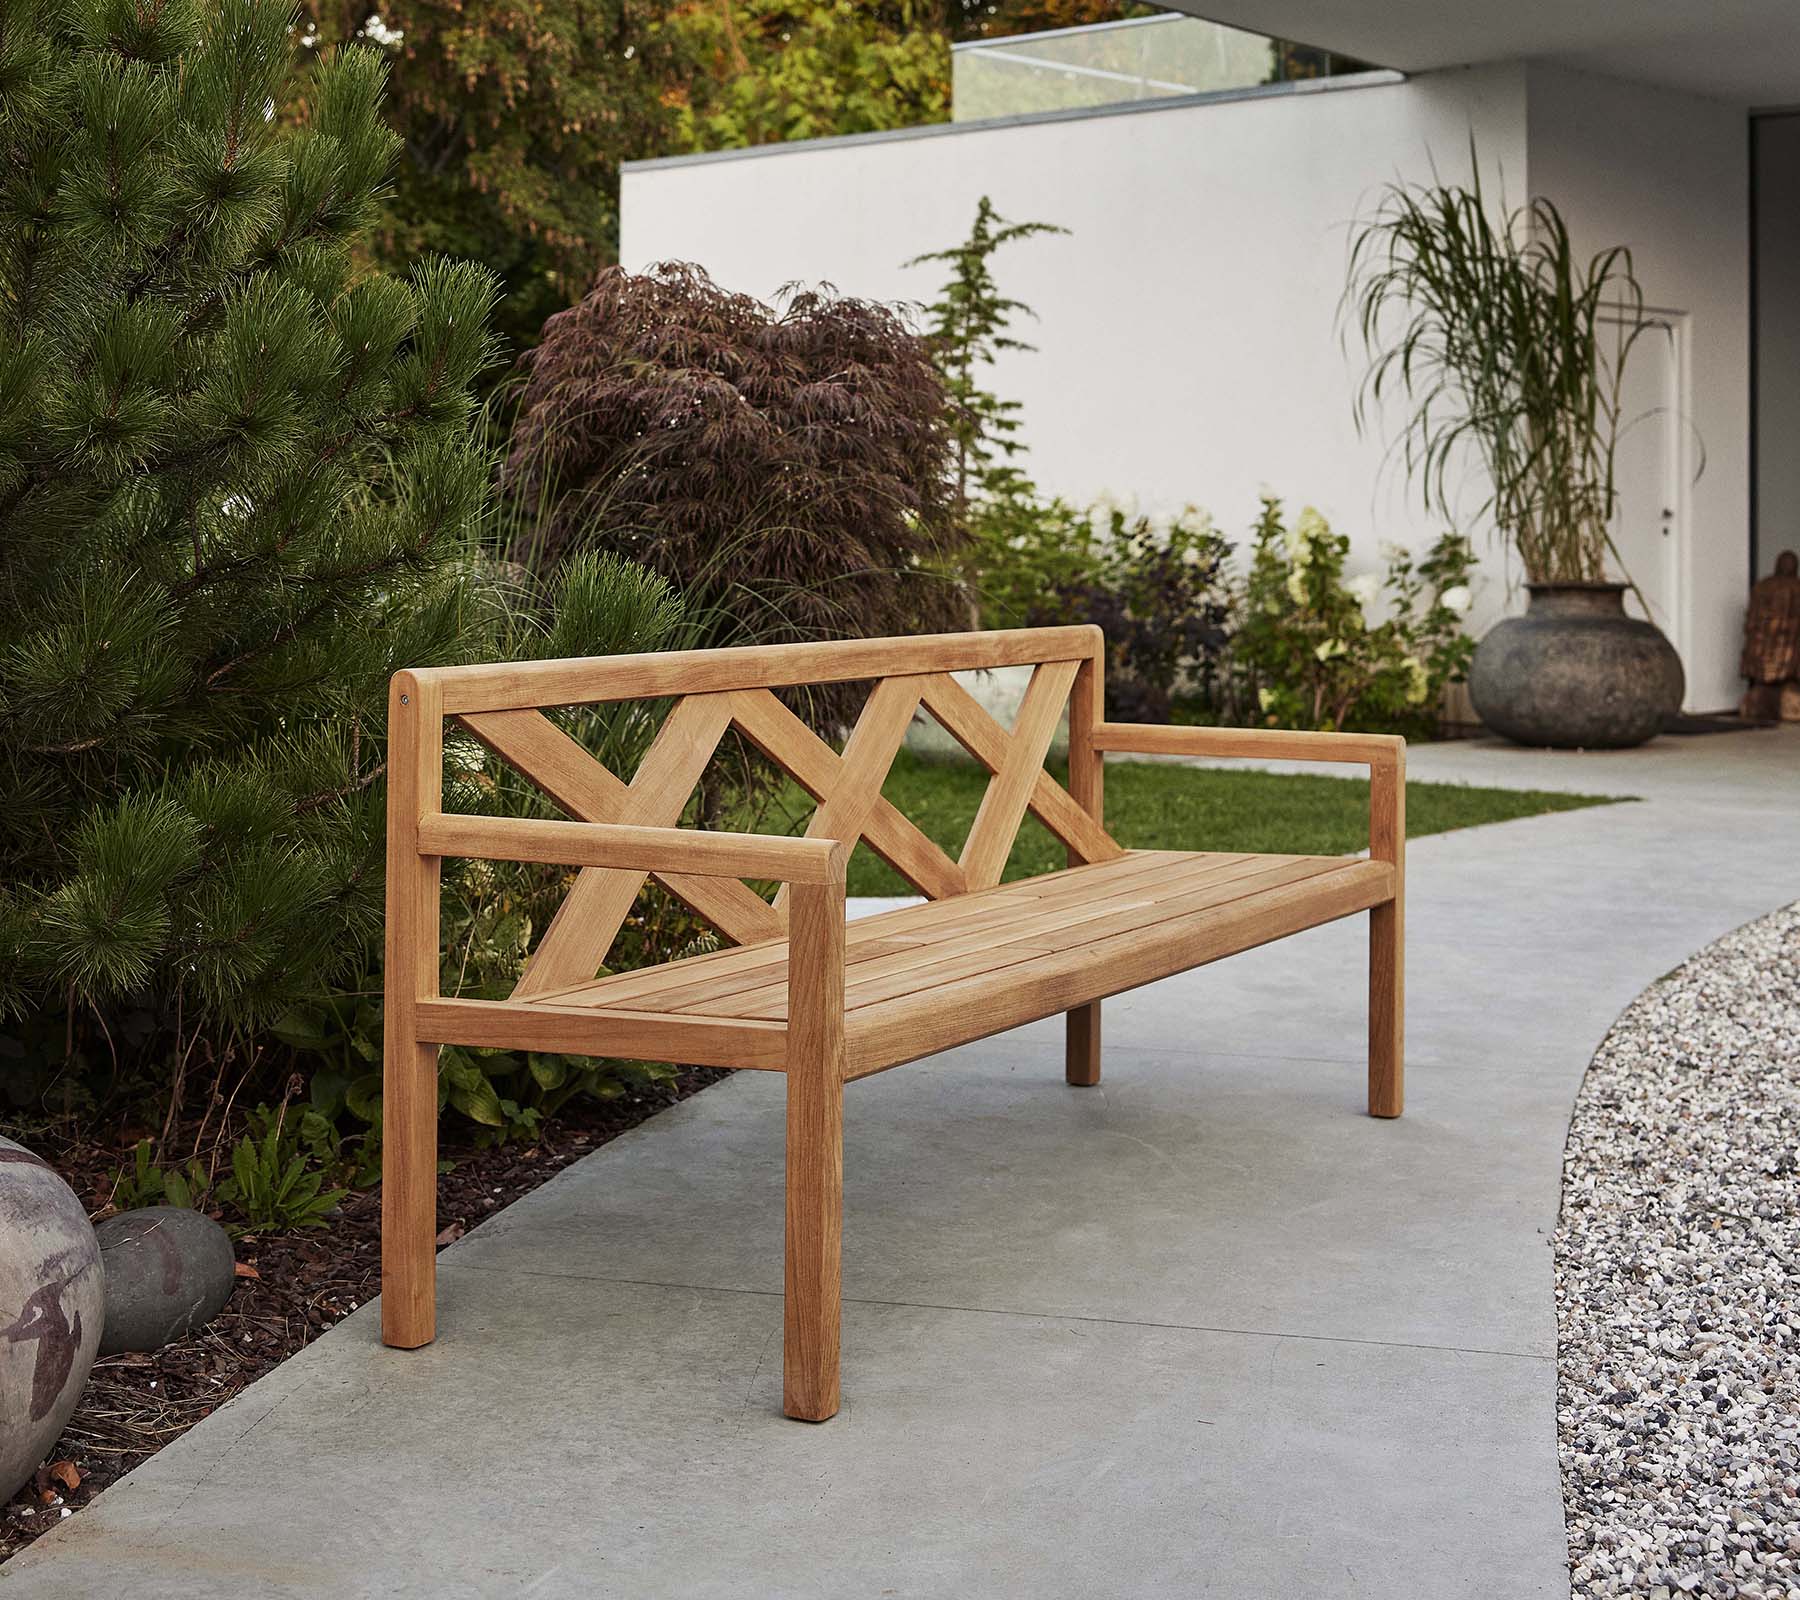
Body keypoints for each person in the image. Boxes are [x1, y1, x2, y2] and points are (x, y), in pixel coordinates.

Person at [1740, 550, 1800, 720]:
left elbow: (1751, 619)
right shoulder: (1796, 587)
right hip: (1785, 647)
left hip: (1764, 646)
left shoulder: (1762, 586)